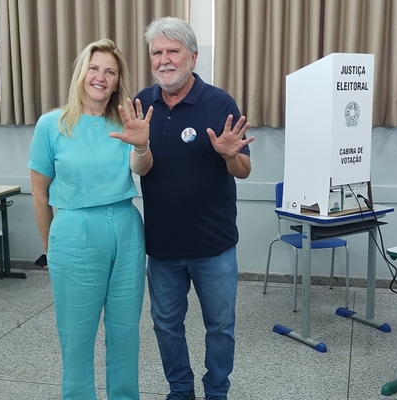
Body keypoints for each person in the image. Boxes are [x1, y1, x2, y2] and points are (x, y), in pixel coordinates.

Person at [130, 16, 254, 400]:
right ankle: (180, 390)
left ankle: (217, 391)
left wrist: (230, 155)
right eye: (157, 52)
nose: (164, 60)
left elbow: (244, 170)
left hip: (214, 247)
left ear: (193, 57)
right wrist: (139, 146)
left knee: (220, 326)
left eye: (173, 51)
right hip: (163, 247)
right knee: (166, 326)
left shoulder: (219, 103)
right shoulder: (142, 103)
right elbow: (139, 164)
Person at [28, 38, 152, 400]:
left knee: (126, 331)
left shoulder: (126, 122)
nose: (101, 77)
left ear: (117, 81)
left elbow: (141, 167)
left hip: (127, 229)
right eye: (94, 68)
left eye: (110, 72)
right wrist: (49, 247)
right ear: (81, 73)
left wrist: (142, 145)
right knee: (77, 335)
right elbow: (39, 192)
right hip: (75, 231)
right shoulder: (52, 125)